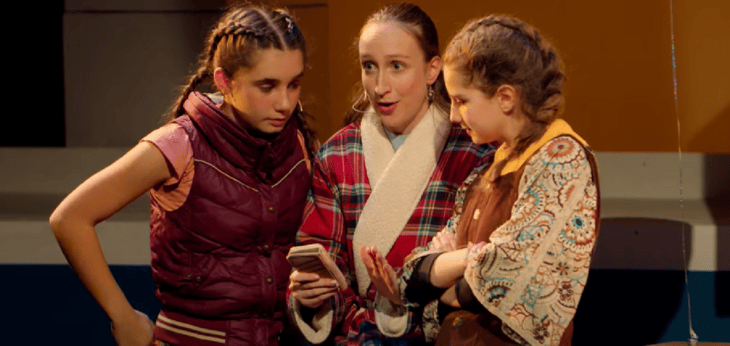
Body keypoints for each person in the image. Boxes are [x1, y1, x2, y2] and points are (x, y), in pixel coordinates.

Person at [49, 4, 317, 346]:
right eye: (267, 86)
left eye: (294, 84)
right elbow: (70, 218)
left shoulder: (294, 141)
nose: (285, 102)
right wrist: (122, 317)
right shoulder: (180, 144)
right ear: (224, 81)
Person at [362, 14, 601, 346]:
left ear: (505, 98)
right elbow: (413, 272)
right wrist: (466, 259)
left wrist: (440, 284)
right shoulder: (489, 167)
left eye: (462, 101)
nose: (453, 116)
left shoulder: (561, 158)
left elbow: (502, 275)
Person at [286, 3, 493, 346]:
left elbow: (479, 273)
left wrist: (407, 299)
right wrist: (312, 295)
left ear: (432, 70)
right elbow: (324, 262)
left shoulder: (471, 154)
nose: (380, 85)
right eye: (369, 67)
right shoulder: (337, 156)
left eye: (397, 66)